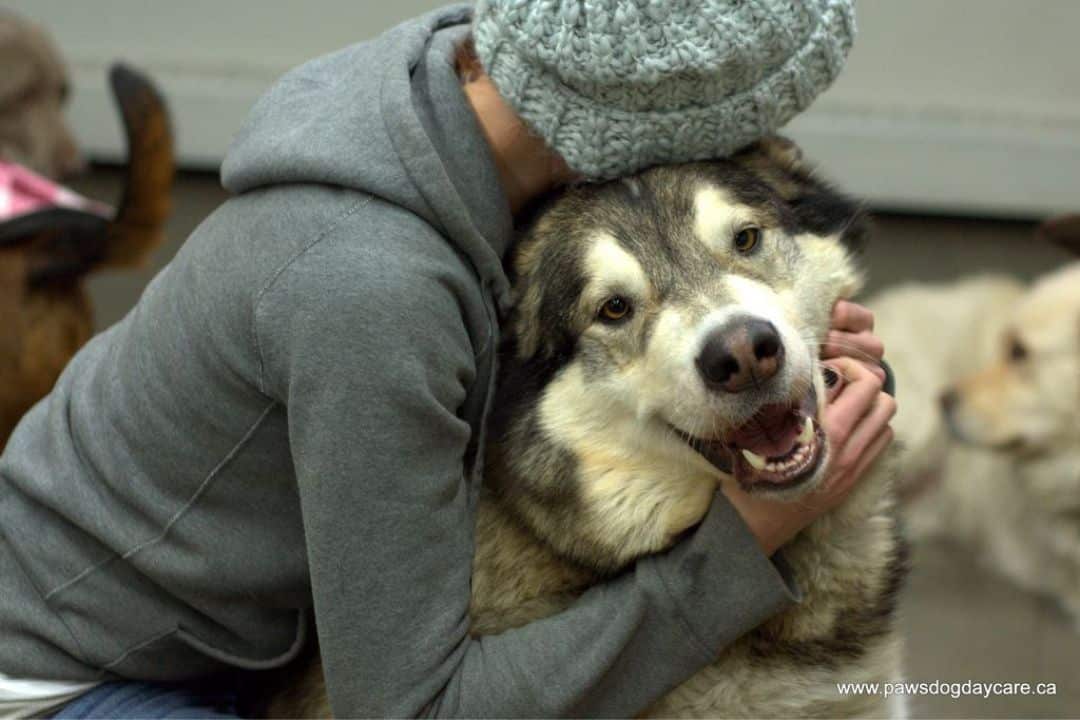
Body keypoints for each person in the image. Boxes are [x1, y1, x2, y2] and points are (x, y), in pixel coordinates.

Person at [0, 1, 893, 717]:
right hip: (68, 676)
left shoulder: (454, 80)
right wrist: (741, 549)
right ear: (636, 124)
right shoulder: (370, 287)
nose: (761, 150)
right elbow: (408, 708)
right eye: (746, 123)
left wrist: (804, 349)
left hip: (227, 637)